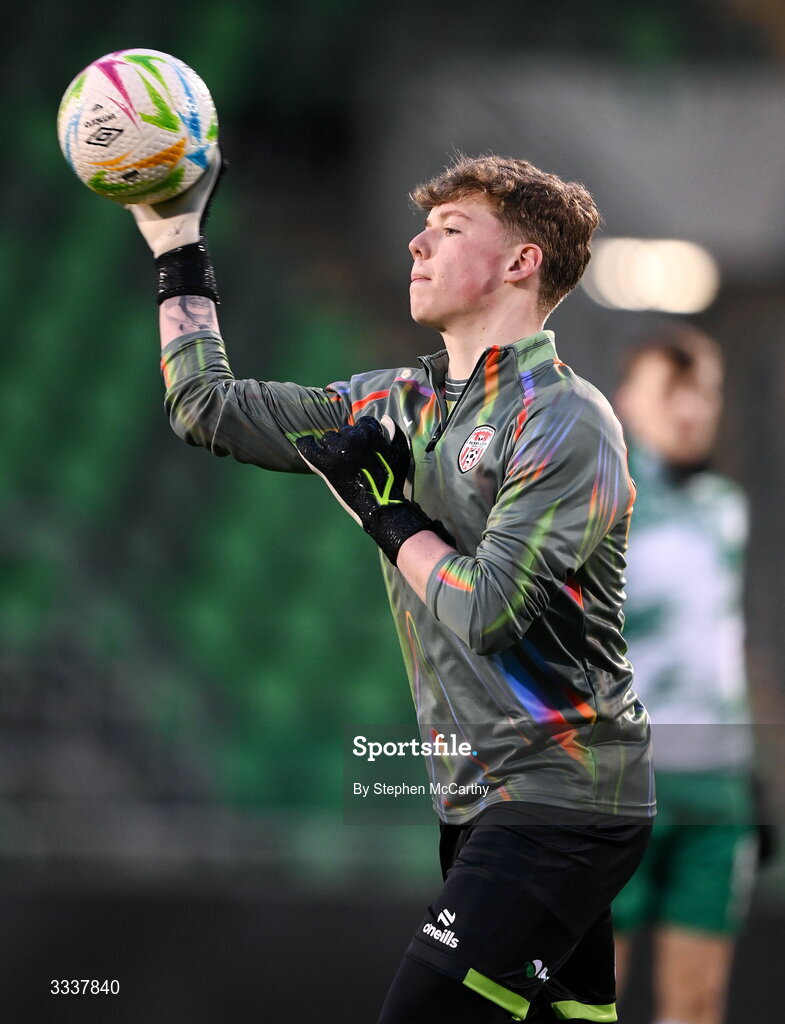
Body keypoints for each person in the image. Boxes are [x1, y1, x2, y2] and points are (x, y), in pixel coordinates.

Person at [129, 152, 655, 1022]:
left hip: (562, 796)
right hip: (481, 799)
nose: (416, 242)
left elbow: (489, 611)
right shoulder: (394, 402)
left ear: (522, 262)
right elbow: (205, 407)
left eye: (450, 230)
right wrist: (178, 245)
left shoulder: (565, 420)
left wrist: (387, 515)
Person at [612, 327, 759, 1024]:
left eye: (705, 391)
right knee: (588, 995)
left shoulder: (725, 510)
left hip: (716, 786)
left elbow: (718, 645)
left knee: (697, 1004)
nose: (693, 409)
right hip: (620, 780)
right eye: (672, 390)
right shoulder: (593, 506)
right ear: (626, 401)